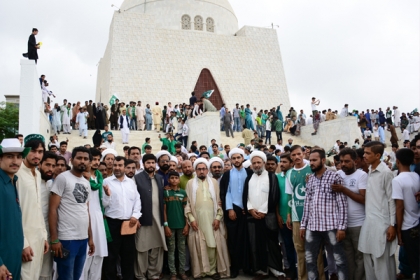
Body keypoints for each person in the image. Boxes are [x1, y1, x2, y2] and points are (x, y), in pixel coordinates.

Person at [300, 149, 348, 280]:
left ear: (322, 160)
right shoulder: (311, 180)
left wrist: (341, 227)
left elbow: (342, 204)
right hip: (313, 227)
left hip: (331, 226)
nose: (311, 163)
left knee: (340, 260)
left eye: (314, 160)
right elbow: (307, 204)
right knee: (310, 259)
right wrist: (303, 225)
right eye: (310, 160)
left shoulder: (334, 177)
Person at [49, 147, 95, 279]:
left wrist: (90, 238)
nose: (82, 161)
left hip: (83, 238)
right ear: (71, 160)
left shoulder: (86, 183)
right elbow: (52, 209)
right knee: (65, 277)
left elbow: (86, 211)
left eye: (86, 159)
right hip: (67, 238)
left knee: (76, 276)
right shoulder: (63, 178)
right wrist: (54, 239)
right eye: (79, 158)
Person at [243, 151, 285, 279]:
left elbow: (274, 195)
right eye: (254, 163)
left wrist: (262, 210)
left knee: (271, 244)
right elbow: (246, 196)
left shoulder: (271, 177)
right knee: (255, 243)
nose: (256, 165)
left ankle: (276, 270)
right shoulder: (249, 177)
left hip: (268, 216)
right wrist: (250, 209)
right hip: (252, 216)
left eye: (258, 162)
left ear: (264, 163)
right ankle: (261, 270)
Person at [185, 158, 230, 279]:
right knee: (199, 245)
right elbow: (188, 203)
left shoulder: (214, 183)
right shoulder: (190, 184)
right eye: (199, 169)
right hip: (197, 219)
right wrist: (191, 219)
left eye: (204, 169)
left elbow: (218, 202)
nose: (201, 171)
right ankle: (201, 271)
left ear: (207, 170)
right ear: (195, 170)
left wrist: (218, 218)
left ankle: (213, 270)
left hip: (212, 219)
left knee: (213, 244)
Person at [358, 141, 397, 279]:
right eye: (364, 152)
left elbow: (392, 200)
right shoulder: (369, 170)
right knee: (369, 261)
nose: (364, 155)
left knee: (383, 264)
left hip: (382, 224)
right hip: (369, 223)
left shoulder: (386, 173)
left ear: (377, 155)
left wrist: (392, 225)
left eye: (368, 153)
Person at [285, 145, 325, 280]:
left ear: (303, 154)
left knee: (316, 251)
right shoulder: (289, 173)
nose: (296, 157)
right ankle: (303, 277)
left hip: (314, 217)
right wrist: (289, 215)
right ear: (291, 157)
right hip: (297, 218)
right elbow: (290, 196)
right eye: (293, 155)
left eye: (298, 154)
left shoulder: (312, 168)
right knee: (300, 251)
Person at [102, 156, 141, 280]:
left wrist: (135, 215)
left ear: (124, 167)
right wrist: (107, 196)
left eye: (120, 165)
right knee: (111, 256)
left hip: (129, 224)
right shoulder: (106, 182)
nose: (117, 168)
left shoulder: (131, 182)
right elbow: (103, 204)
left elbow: (137, 200)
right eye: (115, 165)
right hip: (112, 223)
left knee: (128, 256)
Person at [16, 134, 49, 280]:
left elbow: (37, 208)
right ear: (25, 151)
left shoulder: (37, 174)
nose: (37, 155)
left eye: (40, 151)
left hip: (38, 239)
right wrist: (23, 243)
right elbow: (14, 212)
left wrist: (44, 236)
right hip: (22, 240)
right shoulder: (16, 173)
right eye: (33, 151)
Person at [333, 148, 367, 280]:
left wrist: (344, 189)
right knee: (347, 256)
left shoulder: (362, 175)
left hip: (358, 224)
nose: (343, 164)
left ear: (355, 161)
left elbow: (363, 199)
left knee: (360, 256)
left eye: (347, 161)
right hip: (342, 224)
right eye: (341, 161)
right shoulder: (338, 174)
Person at [133, 154, 167, 279]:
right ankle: (141, 275)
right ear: (144, 164)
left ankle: (154, 274)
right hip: (143, 219)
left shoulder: (159, 178)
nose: (151, 165)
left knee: (157, 248)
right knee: (142, 248)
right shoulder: (136, 178)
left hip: (158, 219)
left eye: (153, 162)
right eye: (148, 163)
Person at [0, 139, 30, 280]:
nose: (15, 161)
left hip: (13, 257)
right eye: (10, 156)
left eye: (19, 157)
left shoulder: (12, 181)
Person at [219, 148, 251, 278]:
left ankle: (247, 267)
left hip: (247, 210)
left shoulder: (250, 172)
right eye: (234, 158)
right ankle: (235, 267)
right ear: (231, 160)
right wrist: (230, 209)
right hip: (233, 209)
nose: (236, 160)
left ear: (243, 158)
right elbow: (226, 192)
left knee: (247, 239)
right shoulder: (227, 174)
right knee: (233, 240)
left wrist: (249, 207)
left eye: (239, 157)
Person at [81, 148, 109, 280]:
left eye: (98, 159)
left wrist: (108, 195)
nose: (96, 162)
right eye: (94, 159)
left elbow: (103, 203)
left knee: (99, 254)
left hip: (98, 218)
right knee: (85, 255)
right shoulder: (81, 176)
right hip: (85, 217)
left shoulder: (99, 177)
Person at [392, 148, 420, 279]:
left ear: (397, 161)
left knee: (414, 260)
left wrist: (398, 230)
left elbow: (399, 207)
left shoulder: (397, 180)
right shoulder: (416, 176)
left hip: (407, 226)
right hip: (417, 221)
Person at [164, 171, 189, 280]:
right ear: (168, 180)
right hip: (170, 226)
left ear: (179, 180)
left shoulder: (183, 193)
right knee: (171, 250)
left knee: (182, 249)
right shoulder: (165, 193)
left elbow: (186, 210)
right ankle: (173, 273)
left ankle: (182, 272)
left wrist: (187, 225)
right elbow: (164, 211)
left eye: (176, 178)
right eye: (172, 178)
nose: (174, 180)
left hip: (182, 226)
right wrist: (166, 225)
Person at [276, 153, 296, 279]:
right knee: (287, 246)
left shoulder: (295, 176)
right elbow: (276, 198)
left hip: (296, 218)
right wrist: (278, 215)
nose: (281, 164)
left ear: (292, 163)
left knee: (298, 247)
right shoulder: (277, 177)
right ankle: (292, 271)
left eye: (284, 162)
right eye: (281, 161)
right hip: (283, 218)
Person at [39, 152, 58, 280]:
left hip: (49, 236)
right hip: (32, 237)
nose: (50, 169)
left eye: (53, 165)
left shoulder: (52, 184)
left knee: (46, 274)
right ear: (40, 164)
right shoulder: (32, 182)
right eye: (47, 165)